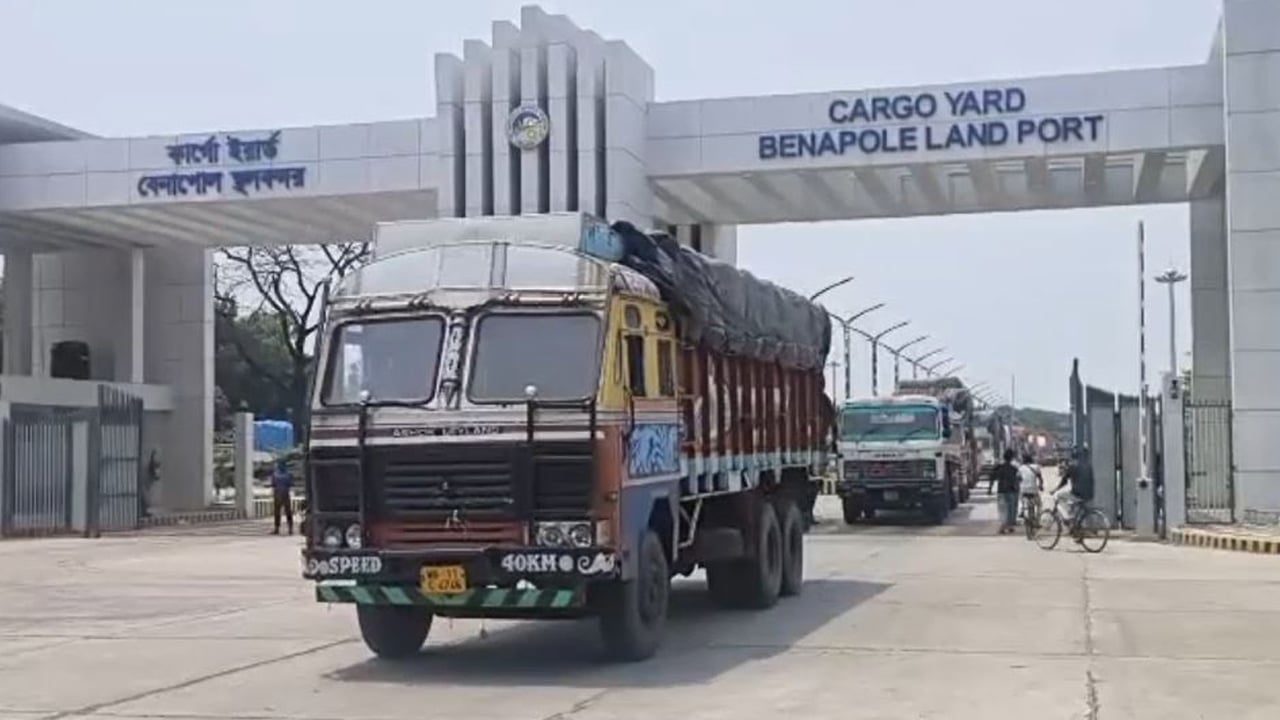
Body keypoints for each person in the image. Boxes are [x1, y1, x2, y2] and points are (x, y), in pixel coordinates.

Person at [1051, 447, 1095, 533]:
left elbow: (1064, 481)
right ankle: (1076, 527)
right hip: (1089, 493)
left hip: (1077, 493)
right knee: (1074, 505)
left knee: (1058, 496)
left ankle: (1068, 516)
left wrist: (1055, 489)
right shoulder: (1088, 466)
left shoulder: (1072, 467)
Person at [990, 449, 1021, 534]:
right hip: (1011, 491)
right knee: (1011, 510)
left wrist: (989, 489)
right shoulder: (1014, 469)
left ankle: (1004, 527)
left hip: (1002, 491)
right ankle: (1009, 526)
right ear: (1011, 458)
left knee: (1003, 510)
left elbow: (992, 477)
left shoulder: (999, 467)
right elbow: (1018, 479)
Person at [1018, 451, 1044, 524]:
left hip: (1024, 490)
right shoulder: (1036, 467)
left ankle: (1022, 510)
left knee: (1022, 499)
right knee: (1039, 504)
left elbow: (1018, 479)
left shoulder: (1021, 468)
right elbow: (1040, 478)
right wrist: (1041, 486)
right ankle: (1037, 520)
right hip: (1033, 489)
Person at [271, 460, 294, 535]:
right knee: (288, 512)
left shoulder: (275, 474)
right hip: (285, 494)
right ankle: (290, 529)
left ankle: (277, 528)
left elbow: (273, 484)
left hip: (277, 494)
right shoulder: (289, 474)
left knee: (277, 512)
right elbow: (291, 484)